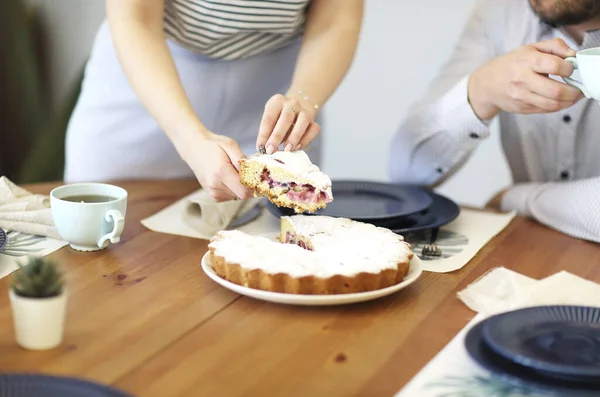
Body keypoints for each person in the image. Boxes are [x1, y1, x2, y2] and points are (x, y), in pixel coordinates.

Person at [64, 0, 363, 202]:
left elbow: (335, 21)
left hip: (278, 89)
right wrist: (190, 139)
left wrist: (303, 99)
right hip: (148, 77)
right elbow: (136, 19)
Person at [389, 0, 600, 243]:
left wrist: (517, 199)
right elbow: (405, 173)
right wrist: (480, 91)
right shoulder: (500, 14)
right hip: (532, 253)